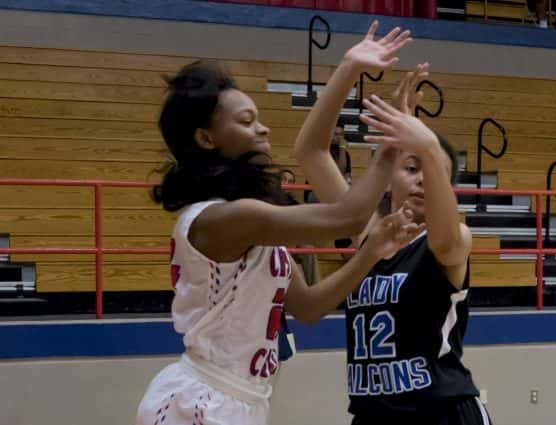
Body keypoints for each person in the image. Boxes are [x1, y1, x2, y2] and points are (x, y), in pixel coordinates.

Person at [136, 22, 417, 425]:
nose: (262, 127)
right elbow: (349, 215)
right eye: (246, 121)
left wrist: (370, 251)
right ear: (205, 138)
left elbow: (308, 307)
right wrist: (390, 144)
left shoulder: (252, 221)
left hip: (243, 400)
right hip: (203, 398)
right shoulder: (228, 218)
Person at [294, 40, 491, 425]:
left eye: (432, 171)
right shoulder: (368, 233)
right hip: (373, 416)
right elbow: (311, 153)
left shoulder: (453, 242)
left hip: (441, 413)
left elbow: (446, 238)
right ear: (387, 180)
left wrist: (427, 145)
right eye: (411, 168)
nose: (422, 180)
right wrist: (349, 68)